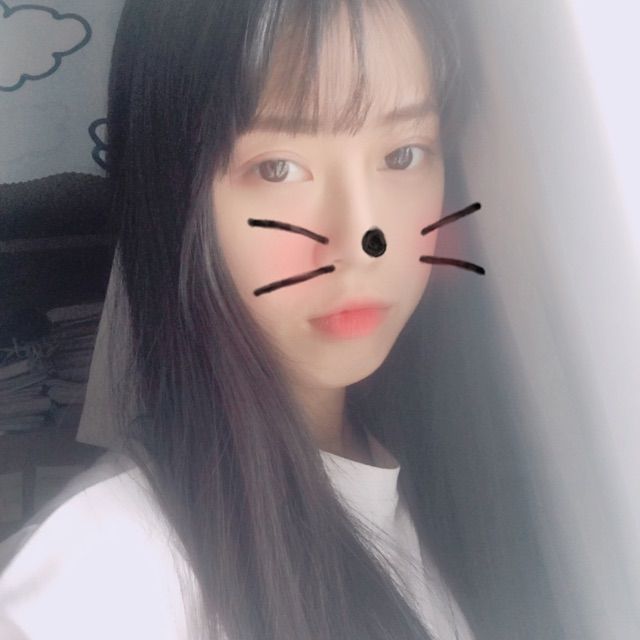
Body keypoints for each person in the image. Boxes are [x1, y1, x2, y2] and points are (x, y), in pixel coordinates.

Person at [0, 0, 480, 638]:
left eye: (403, 155)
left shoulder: (447, 468)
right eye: (278, 168)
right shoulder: (101, 580)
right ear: (176, 198)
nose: (365, 239)